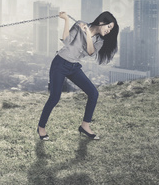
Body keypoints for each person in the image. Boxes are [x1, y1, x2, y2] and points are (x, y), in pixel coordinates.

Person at [37, 11, 119, 141]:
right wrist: (66, 20)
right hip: (60, 63)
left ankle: (85, 126)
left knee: (93, 93)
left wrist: (87, 33)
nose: (109, 31)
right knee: (55, 97)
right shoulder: (79, 24)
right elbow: (66, 40)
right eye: (108, 27)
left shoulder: (99, 41)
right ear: (102, 22)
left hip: (73, 67)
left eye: (111, 29)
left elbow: (90, 52)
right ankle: (41, 128)